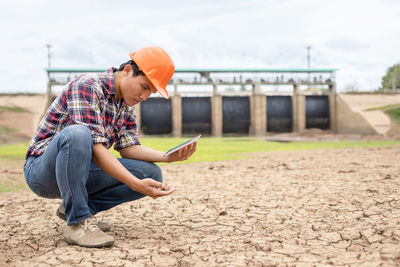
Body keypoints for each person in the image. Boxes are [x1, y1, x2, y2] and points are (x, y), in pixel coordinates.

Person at [23, 46, 197, 248]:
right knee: (78, 133)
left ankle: (77, 208)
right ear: (128, 71)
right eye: (144, 87)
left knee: (151, 173)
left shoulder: (126, 106)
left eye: (150, 92)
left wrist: (168, 157)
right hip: (42, 172)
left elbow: (129, 148)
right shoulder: (87, 85)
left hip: (80, 170)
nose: (144, 97)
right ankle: (78, 221)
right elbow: (96, 149)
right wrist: (134, 184)